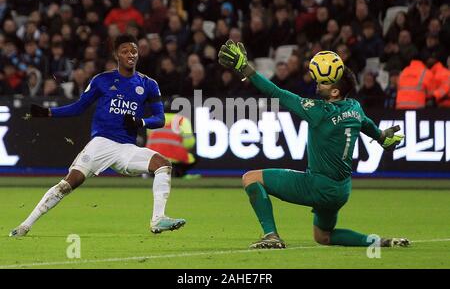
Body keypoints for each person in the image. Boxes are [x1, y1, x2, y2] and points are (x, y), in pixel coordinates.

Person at [218, 39, 409, 249]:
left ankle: (271, 235)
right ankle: (380, 242)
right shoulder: (355, 108)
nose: (318, 83)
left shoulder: (319, 112)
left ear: (335, 91)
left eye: (325, 82)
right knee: (323, 236)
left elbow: (276, 92)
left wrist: (244, 68)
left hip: (318, 186)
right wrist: (383, 138)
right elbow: (371, 128)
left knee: (250, 178)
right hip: (341, 191)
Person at [9, 34, 186, 237]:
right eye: (125, 51)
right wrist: (49, 113)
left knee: (163, 164)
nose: (130, 54)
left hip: (126, 149)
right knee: (68, 184)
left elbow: (160, 119)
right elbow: (79, 107)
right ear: (116, 55)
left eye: (134, 51)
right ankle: (25, 226)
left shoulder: (148, 84)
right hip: (101, 144)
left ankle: (157, 220)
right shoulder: (102, 80)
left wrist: (141, 122)